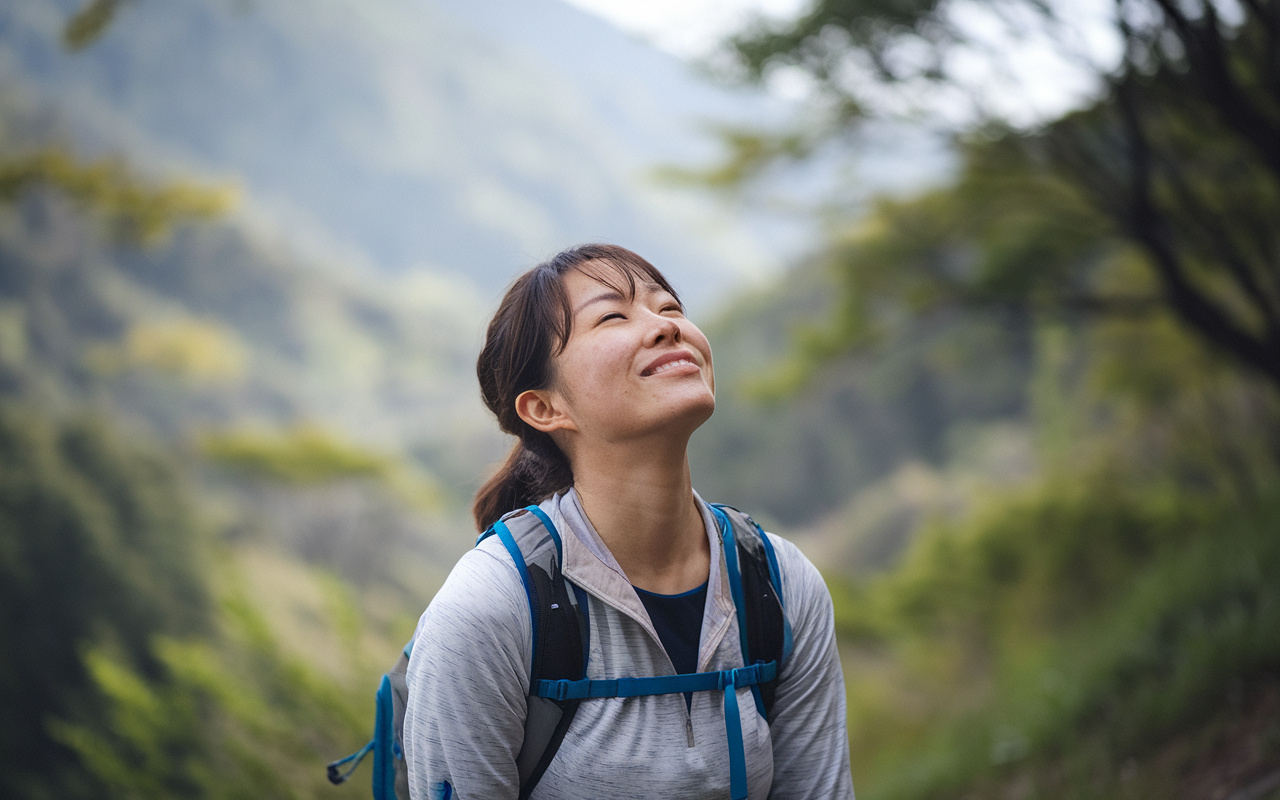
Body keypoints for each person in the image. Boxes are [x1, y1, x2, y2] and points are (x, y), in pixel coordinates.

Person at [402, 244, 854, 799]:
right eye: (613, 315)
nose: (666, 329)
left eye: (668, 308)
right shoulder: (489, 611)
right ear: (544, 409)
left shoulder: (778, 584)